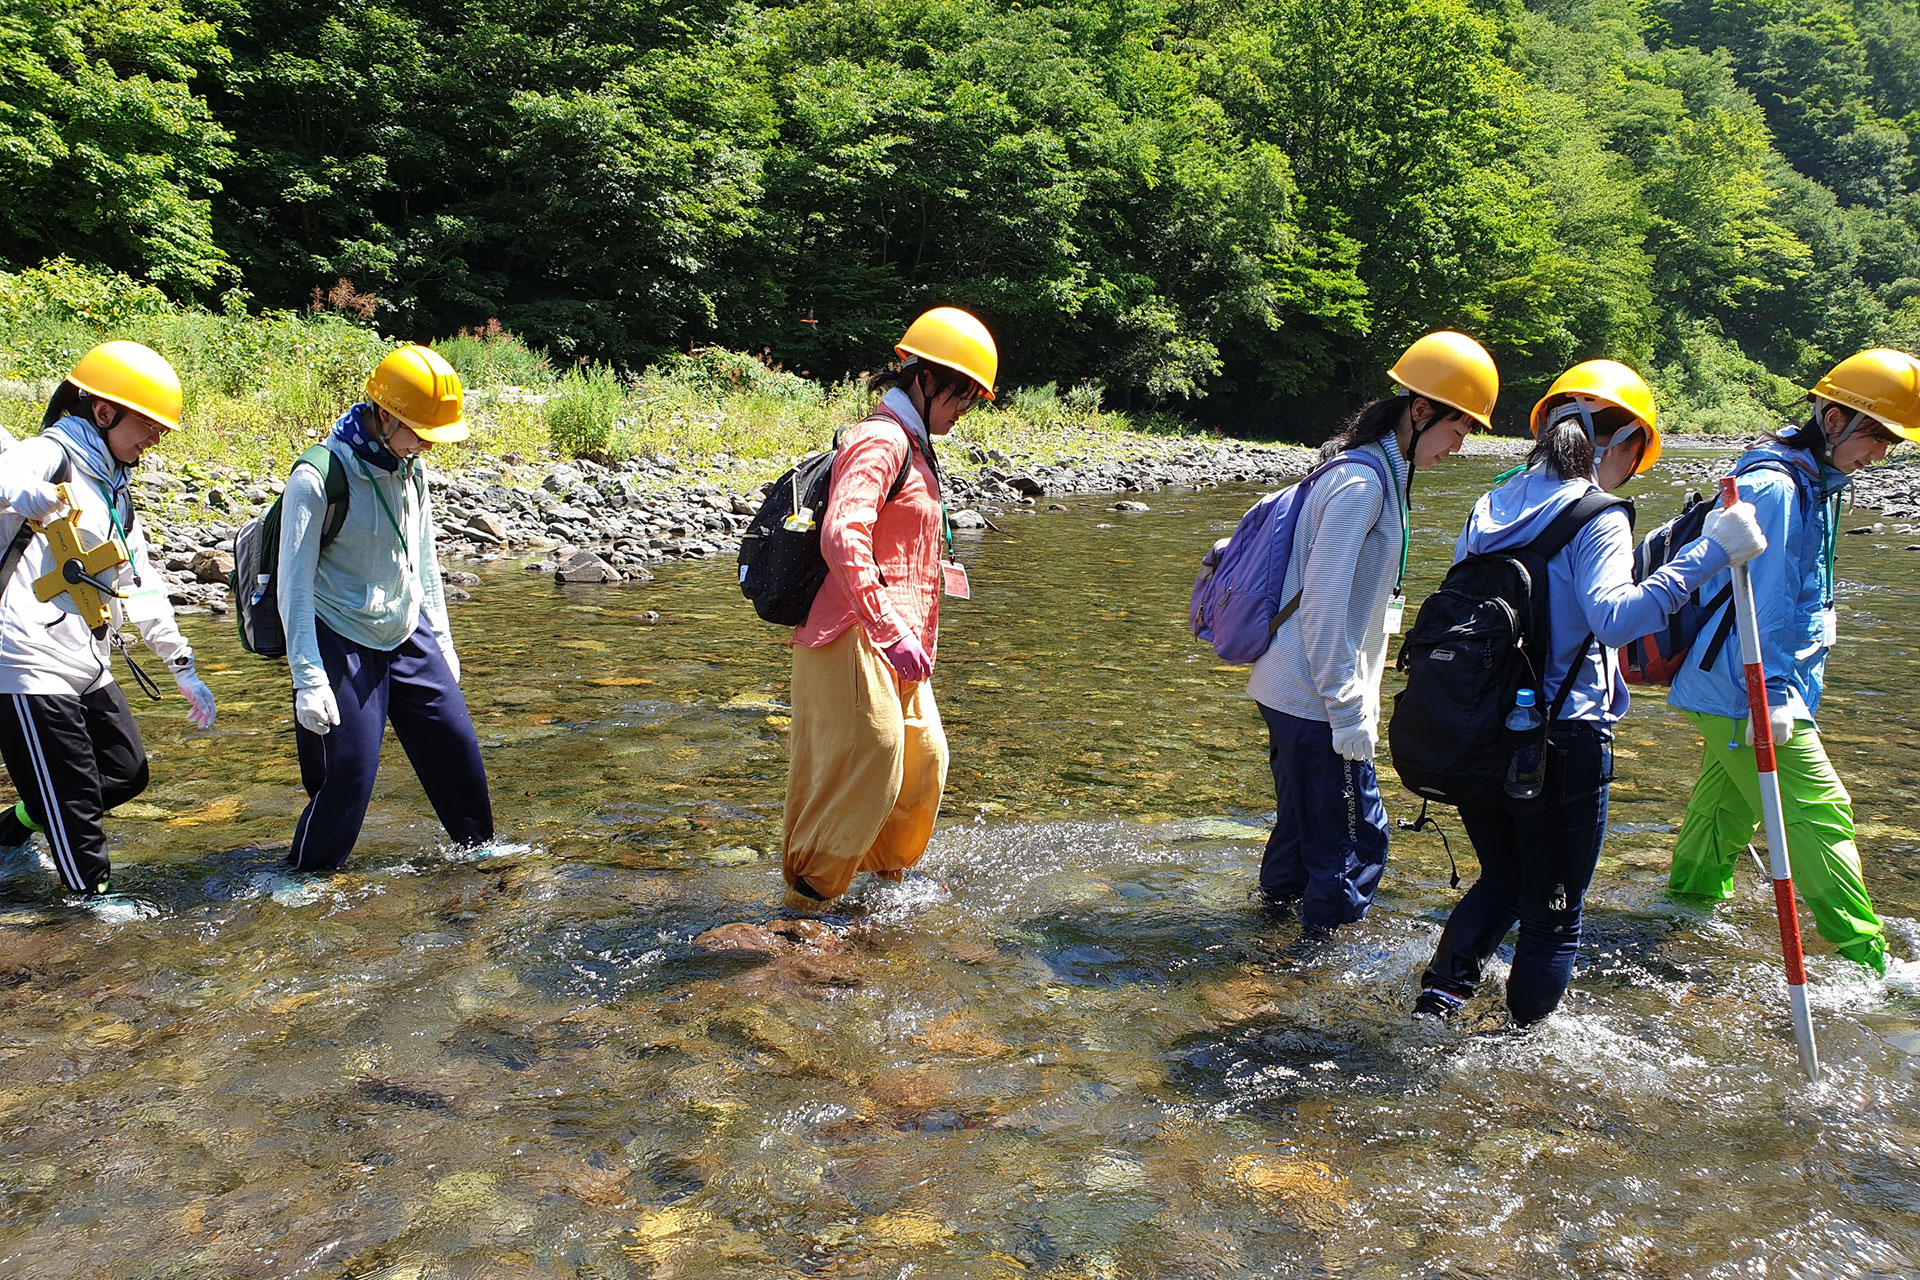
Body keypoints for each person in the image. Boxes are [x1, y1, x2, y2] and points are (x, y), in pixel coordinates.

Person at [1413, 360, 1767, 1022]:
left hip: (1478, 730)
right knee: (1554, 917)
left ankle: (1435, 1008)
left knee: (1503, 880)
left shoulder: (1490, 504)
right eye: (1639, 454)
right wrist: (1710, 550)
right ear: (1624, 440)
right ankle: (1519, 1060)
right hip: (1562, 740)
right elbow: (1615, 618)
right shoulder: (1596, 514)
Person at [1666, 348, 1920, 976]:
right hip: (1744, 686)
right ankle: (1870, 962)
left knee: (1726, 805)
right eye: (1879, 436)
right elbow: (1768, 598)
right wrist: (1773, 692)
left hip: (1739, 686)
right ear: (1834, 420)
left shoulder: (1813, 483)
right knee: (1819, 809)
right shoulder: (1776, 488)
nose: (1883, 452)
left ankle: (1683, 907)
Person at [1247, 331, 1493, 931]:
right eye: (1458, 431)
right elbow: (1324, 606)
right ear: (1420, 410)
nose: (1457, 449)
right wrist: (1348, 707)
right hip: (1315, 699)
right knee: (1357, 846)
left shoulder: (1371, 469)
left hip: (1295, 691)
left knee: (1304, 827)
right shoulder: (1362, 484)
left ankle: (1268, 939)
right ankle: (1319, 973)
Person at [781, 307, 995, 912]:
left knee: (924, 764)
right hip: (853, 631)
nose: (964, 410)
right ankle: (807, 902)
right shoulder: (880, 440)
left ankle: (879, 886)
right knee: (865, 766)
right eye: (962, 395)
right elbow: (843, 534)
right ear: (924, 379)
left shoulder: (917, 446)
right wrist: (886, 626)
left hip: (900, 646)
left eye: (974, 400)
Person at [0, 341, 217, 897]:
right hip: (24, 658)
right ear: (103, 411)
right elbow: (6, 476)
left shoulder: (115, 489)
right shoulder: (50, 455)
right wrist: (25, 492)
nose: (156, 438)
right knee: (75, 806)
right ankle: (90, 907)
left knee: (125, 771)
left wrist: (182, 664)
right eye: (148, 424)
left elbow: (138, 585)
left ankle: (11, 831)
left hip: (86, 656)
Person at [278, 343, 491, 871]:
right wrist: (308, 677)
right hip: (337, 631)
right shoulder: (317, 477)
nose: (429, 445)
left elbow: (423, 557)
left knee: (457, 748)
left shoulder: (408, 463)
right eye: (422, 432)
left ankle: (482, 858)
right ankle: (305, 878)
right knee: (347, 777)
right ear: (386, 414)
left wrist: (440, 639)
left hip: (406, 626)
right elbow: (294, 587)